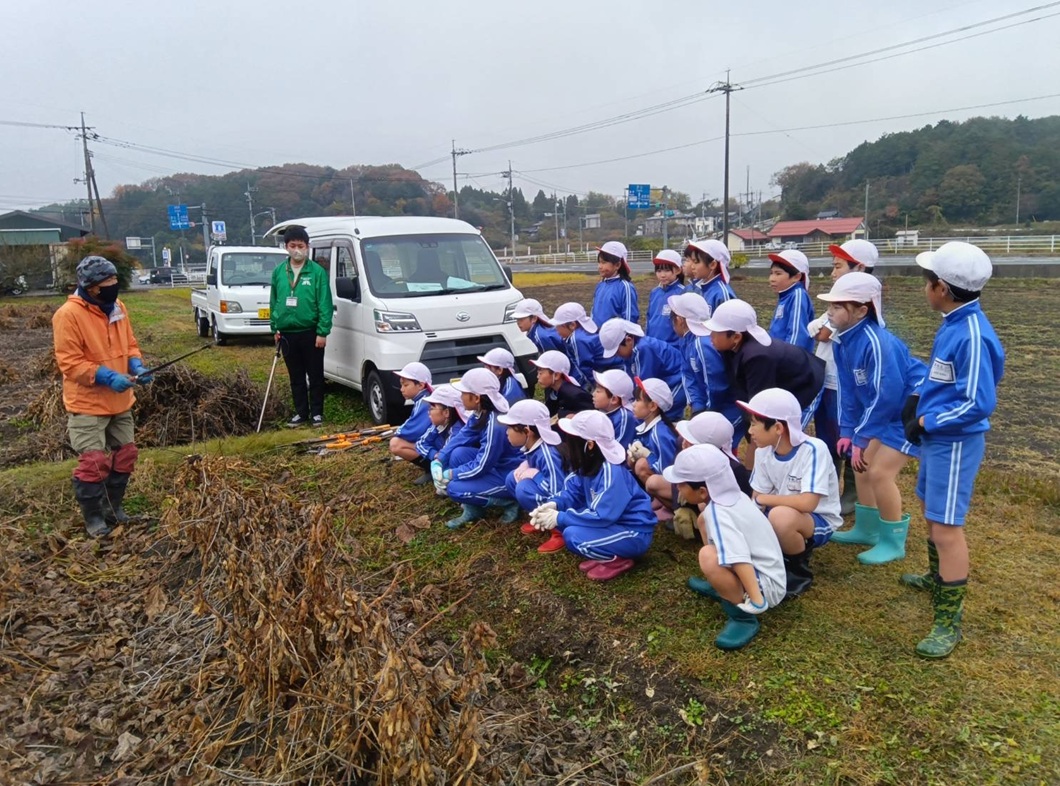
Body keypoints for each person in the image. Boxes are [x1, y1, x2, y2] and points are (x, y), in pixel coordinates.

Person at [902, 242, 1005, 659]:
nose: (924, 288)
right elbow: (942, 378)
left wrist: (928, 421)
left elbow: (978, 403)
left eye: (927, 281)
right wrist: (918, 398)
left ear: (941, 288)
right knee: (931, 510)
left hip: (955, 442)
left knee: (946, 527)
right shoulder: (952, 323)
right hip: (938, 440)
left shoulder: (972, 334)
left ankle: (949, 620)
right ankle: (936, 577)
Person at [817, 273, 926, 564]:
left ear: (862, 310)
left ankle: (892, 541)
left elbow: (886, 395)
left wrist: (862, 437)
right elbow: (849, 392)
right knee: (862, 466)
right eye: (830, 305)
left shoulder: (877, 343)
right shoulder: (842, 341)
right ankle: (867, 530)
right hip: (884, 414)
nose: (829, 312)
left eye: (838, 306)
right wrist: (847, 432)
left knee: (880, 473)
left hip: (907, 414)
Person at [53, 255, 152, 538]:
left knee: (126, 455)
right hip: (87, 403)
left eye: (115, 279)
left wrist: (136, 366)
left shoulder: (118, 307)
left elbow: (129, 344)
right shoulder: (68, 315)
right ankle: (94, 518)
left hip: (120, 401)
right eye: (109, 281)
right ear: (92, 287)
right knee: (94, 462)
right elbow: (70, 363)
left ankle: (113, 508)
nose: (114, 285)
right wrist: (107, 377)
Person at [665, 444, 787, 650]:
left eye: (681, 484)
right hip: (769, 570)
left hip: (765, 584)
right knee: (702, 521)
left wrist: (756, 599)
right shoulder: (734, 497)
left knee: (707, 557)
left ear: (702, 491)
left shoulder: (719, 513)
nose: (677, 488)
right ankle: (721, 585)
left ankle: (742, 617)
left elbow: (738, 556)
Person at [528, 410, 655, 581]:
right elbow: (572, 491)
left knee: (572, 535)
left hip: (632, 532)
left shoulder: (612, 472)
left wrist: (560, 517)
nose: (568, 443)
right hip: (613, 523)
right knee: (568, 526)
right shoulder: (587, 465)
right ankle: (605, 551)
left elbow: (602, 516)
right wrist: (555, 504)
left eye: (572, 439)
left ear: (589, 445)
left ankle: (618, 559)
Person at [740, 388, 842, 600]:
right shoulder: (763, 452)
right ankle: (764, 566)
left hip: (817, 519)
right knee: (747, 517)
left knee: (780, 517)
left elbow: (808, 503)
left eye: (754, 424)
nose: (750, 431)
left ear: (778, 427)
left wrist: (764, 500)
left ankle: (796, 572)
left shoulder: (814, 449)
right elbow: (756, 499)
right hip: (779, 511)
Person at [806, 243, 874, 516]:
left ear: (859, 268)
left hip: (844, 384)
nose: (833, 273)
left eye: (838, 266)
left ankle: (853, 495)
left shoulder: (861, 305)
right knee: (827, 436)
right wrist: (822, 326)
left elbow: (822, 333)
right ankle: (830, 491)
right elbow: (814, 329)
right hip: (827, 378)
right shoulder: (840, 303)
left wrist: (822, 327)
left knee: (846, 436)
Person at [697, 300, 826, 430]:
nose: (711, 336)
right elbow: (741, 391)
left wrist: (755, 432)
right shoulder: (729, 348)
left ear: (736, 337)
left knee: (786, 434)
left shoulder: (757, 357)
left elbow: (760, 407)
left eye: (716, 332)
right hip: (779, 388)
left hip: (806, 384)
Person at [433, 369, 524, 529]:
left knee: (454, 488)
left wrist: (451, 474)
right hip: (497, 464)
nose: (460, 397)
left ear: (476, 398)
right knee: (458, 454)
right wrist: (440, 459)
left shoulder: (495, 425)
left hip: (509, 473)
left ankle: (509, 502)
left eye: (463, 393)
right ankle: (473, 509)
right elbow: (463, 435)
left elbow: (482, 465)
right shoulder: (480, 413)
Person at [269, 225, 333, 427]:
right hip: (287, 332)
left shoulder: (316, 272)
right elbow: (274, 300)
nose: (297, 250)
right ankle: (301, 412)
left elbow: (325, 303)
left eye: (301, 246)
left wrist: (322, 332)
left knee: (315, 374)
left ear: (307, 247)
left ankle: (317, 413)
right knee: (295, 375)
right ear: (286, 247)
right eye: (292, 245)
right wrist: (275, 327)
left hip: (310, 332)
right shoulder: (279, 272)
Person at [668, 293, 741, 441]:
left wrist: (706, 414)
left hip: (728, 407)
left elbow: (715, 386)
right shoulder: (686, 340)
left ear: (680, 320)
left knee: (718, 443)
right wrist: (697, 407)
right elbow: (688, 375)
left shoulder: (702, 344)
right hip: (711, 407)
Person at [499, 399, 567, 553]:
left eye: (510, 428)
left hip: (563, 502)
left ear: (527, 431)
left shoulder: (548, 454)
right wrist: (526, 464)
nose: (507, 432)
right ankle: (540, 519)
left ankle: (559, 530)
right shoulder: (533, 445)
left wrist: (536, 476)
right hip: (549, 489)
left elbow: (558, 491)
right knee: (512, 478)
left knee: (523, 488)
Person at [598, 318, 686, 419]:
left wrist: (632, 405)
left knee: (658, 414)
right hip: (663, 384)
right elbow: (631, 380)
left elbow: (643, 384)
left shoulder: (643, 349)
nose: (617, 355)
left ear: (628, 340)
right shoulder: (630, 354)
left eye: (617, 351)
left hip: (678, 382)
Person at [627, 377, 681, 519]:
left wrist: (647, 456)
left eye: (637, 400)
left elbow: (667, 470)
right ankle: (661, 501)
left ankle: (676, 509)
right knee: (634, 461)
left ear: (652, 406)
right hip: (669, 483)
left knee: (641, 465)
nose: (633, 404)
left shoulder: (660, 433)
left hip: (679, 486)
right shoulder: (647, 426)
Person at [387, 362, 434, 482]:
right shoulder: (424, 398)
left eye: (406, 385)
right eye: (401, 385)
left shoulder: (425, 402)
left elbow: (414, 430)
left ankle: (432, 469)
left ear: (421, 385)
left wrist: (397, 432)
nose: (401, 389)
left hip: (440, 446)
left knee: (396, 444)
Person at [766, 249, 814, 351]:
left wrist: (788, 357)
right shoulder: (785, 296)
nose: (772, 279)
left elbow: (797, 334)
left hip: (789, 357)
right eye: (771, 273)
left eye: (778, 274)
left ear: (796, 277)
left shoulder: (798, 295)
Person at [550, 302, 602, 390]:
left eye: (558, 326)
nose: (556, 329)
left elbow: (584, 367)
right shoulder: (583, 333)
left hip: (605, 373)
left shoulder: (577, 339)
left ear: (572, 325)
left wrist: (596, 387)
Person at [414, 383, 466, 468]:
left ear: (446, 412)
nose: (429, 412)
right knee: (436, 441)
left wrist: (439, 458)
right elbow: (420, 443)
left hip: (457, 465)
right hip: (442, 459)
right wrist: (434, 454)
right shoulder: (438, 426)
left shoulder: (458, 429)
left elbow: (446, 452)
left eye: (431, 409)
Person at [531, 350, 594, 419]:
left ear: (556, 375)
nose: (537, 376)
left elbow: (591, 416)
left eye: (541, 372)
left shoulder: (575, 395)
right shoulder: (552, 390)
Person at [591, 240, 639, 325]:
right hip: (598, 333)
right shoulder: (600, 285)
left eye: (603, 262)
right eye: (599, 262)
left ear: (617, 265)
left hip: (615, 333)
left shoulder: (625, 287)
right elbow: (593, 312)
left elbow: (629, 319)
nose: (600, 266)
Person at [685, 239, 736, 317]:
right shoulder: (701, 289)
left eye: (696, 262)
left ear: (712, 265)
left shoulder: (722, 294)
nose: (692, 266)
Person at [591, 368, 637, 448]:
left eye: (598, 391)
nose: (593, 394)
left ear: (614, 399)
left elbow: (618, 450)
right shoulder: (603, 412)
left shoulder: (625, 417)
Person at [646, 249, 684, 343]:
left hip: (672, 347)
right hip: (653, 344)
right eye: (659, 271)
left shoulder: (683, 293)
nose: (662, 275)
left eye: (667, 270)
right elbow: (649, 319)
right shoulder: (654, 292)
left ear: (678, 270)